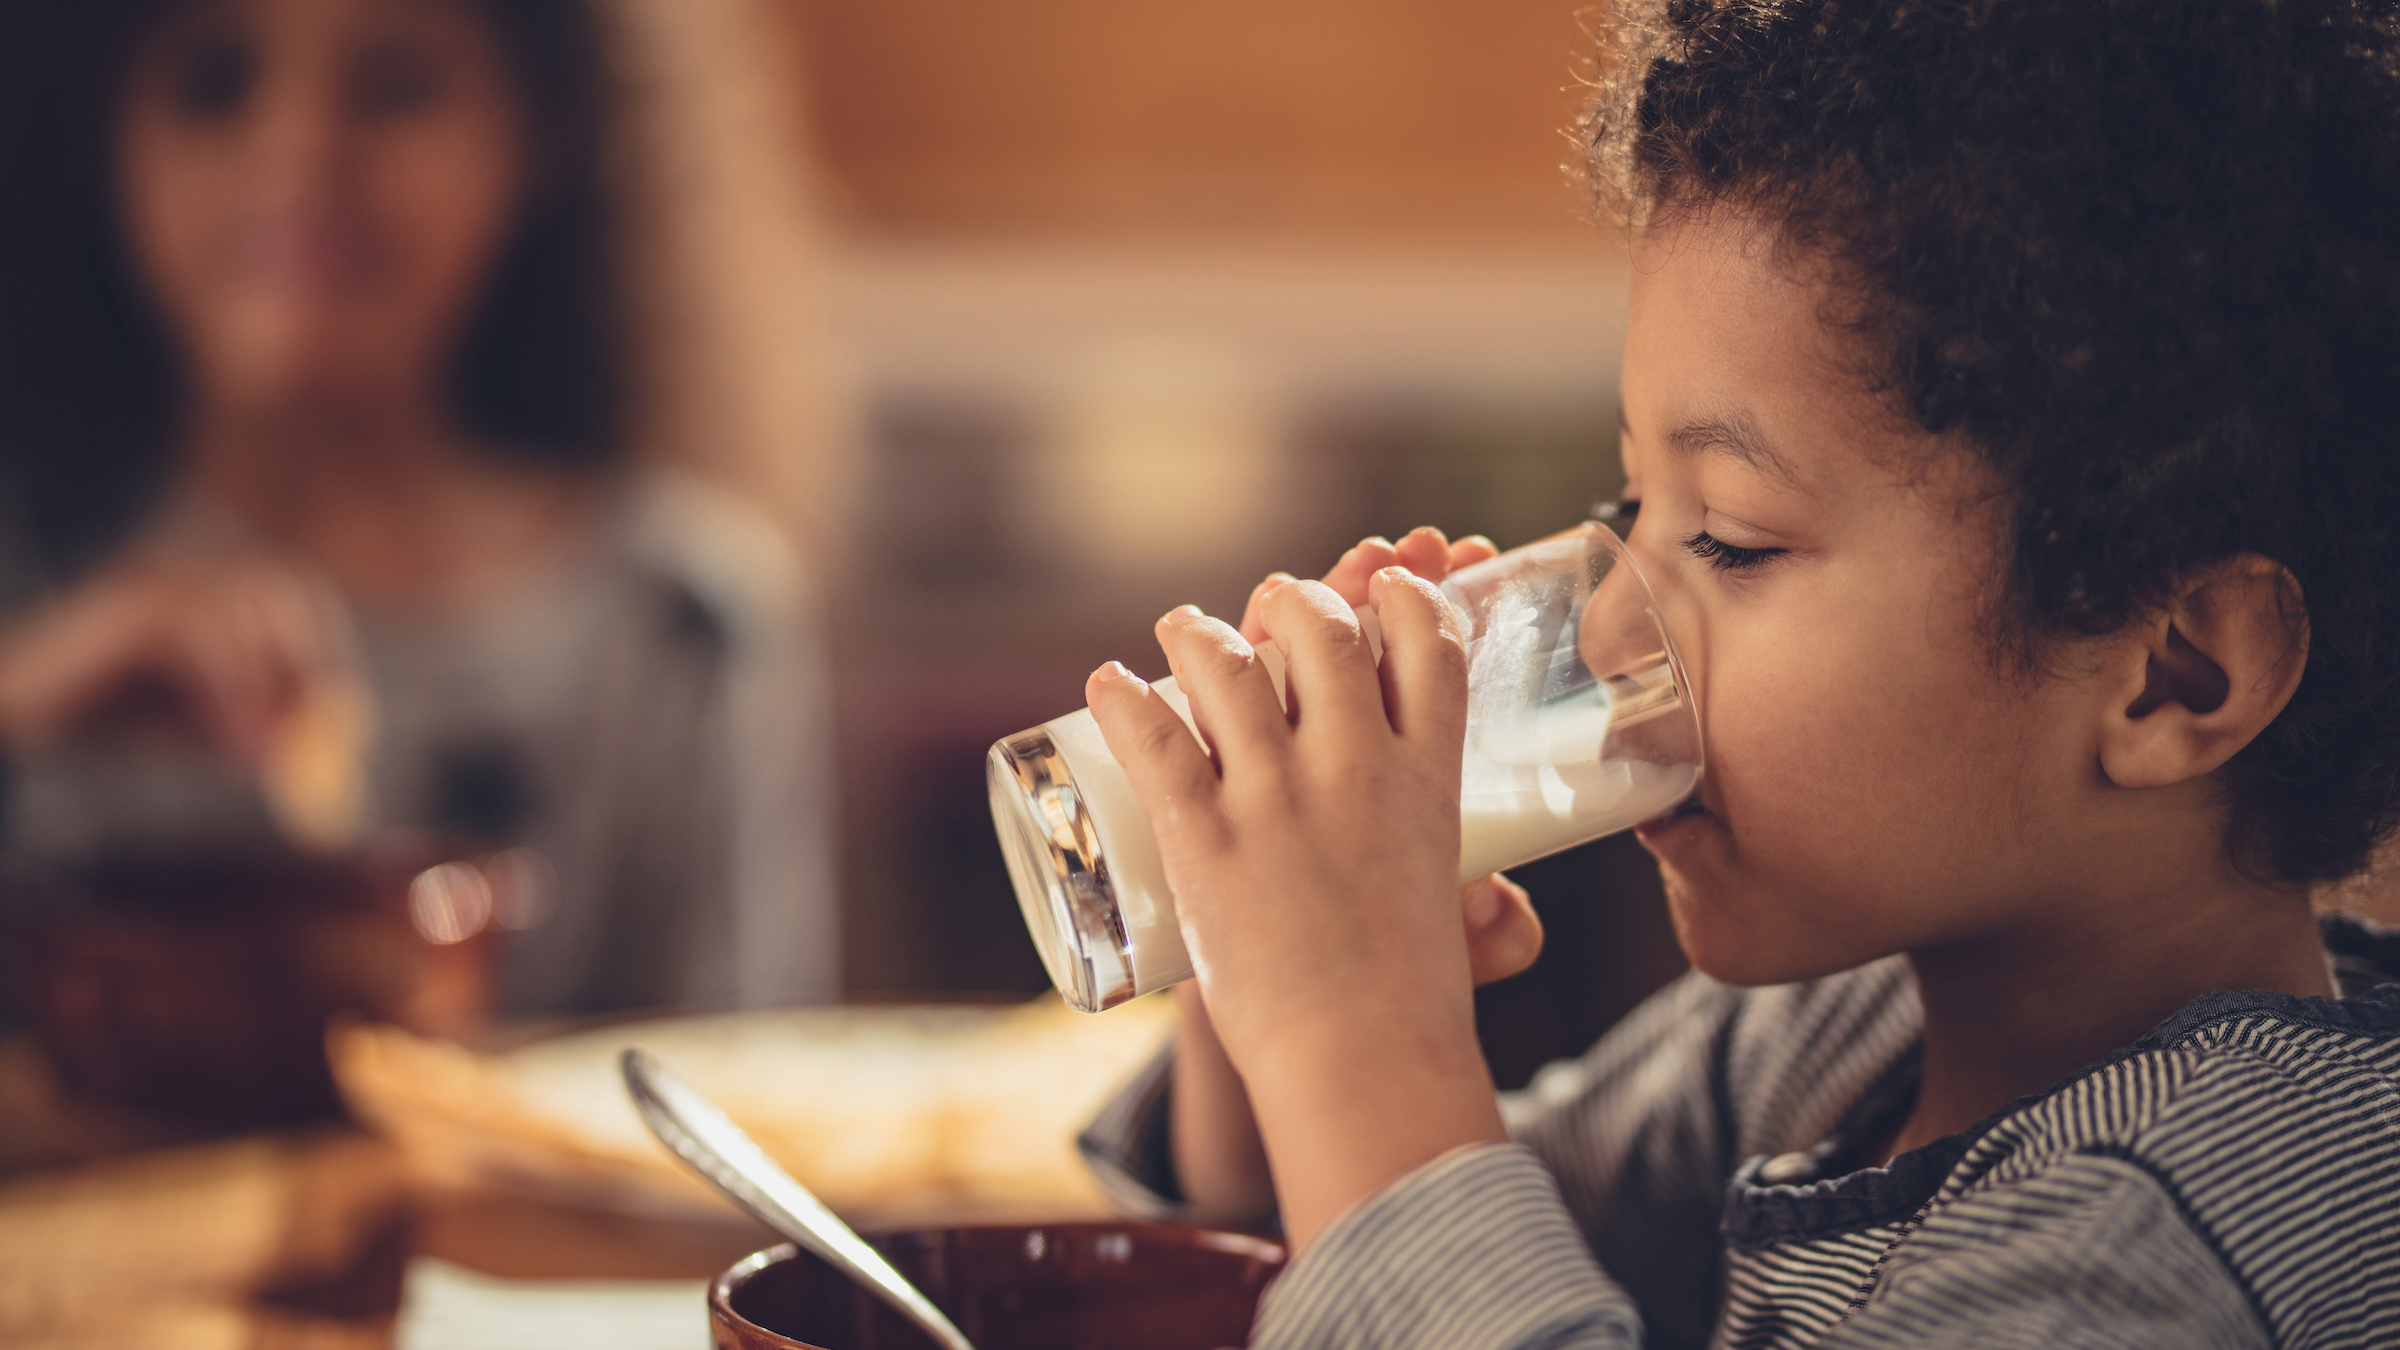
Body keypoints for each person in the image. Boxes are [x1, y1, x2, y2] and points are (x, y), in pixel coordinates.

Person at [1078, 0, 2400, 1344]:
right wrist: (1270, 975)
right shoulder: (1831, 1040)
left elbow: (1408, 1234)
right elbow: (1351, 1251)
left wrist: (1353, 1047)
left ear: (2175, 672)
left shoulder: (2157, 1247)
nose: (1604, 632)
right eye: (1632, 499)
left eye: (1732, 538)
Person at [0, 0, 838, 1015]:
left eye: (397, 85)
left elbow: (732, 1103)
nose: (301, 151)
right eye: (213, 83)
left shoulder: (678, 623)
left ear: (545, 129)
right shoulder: (36, 572)